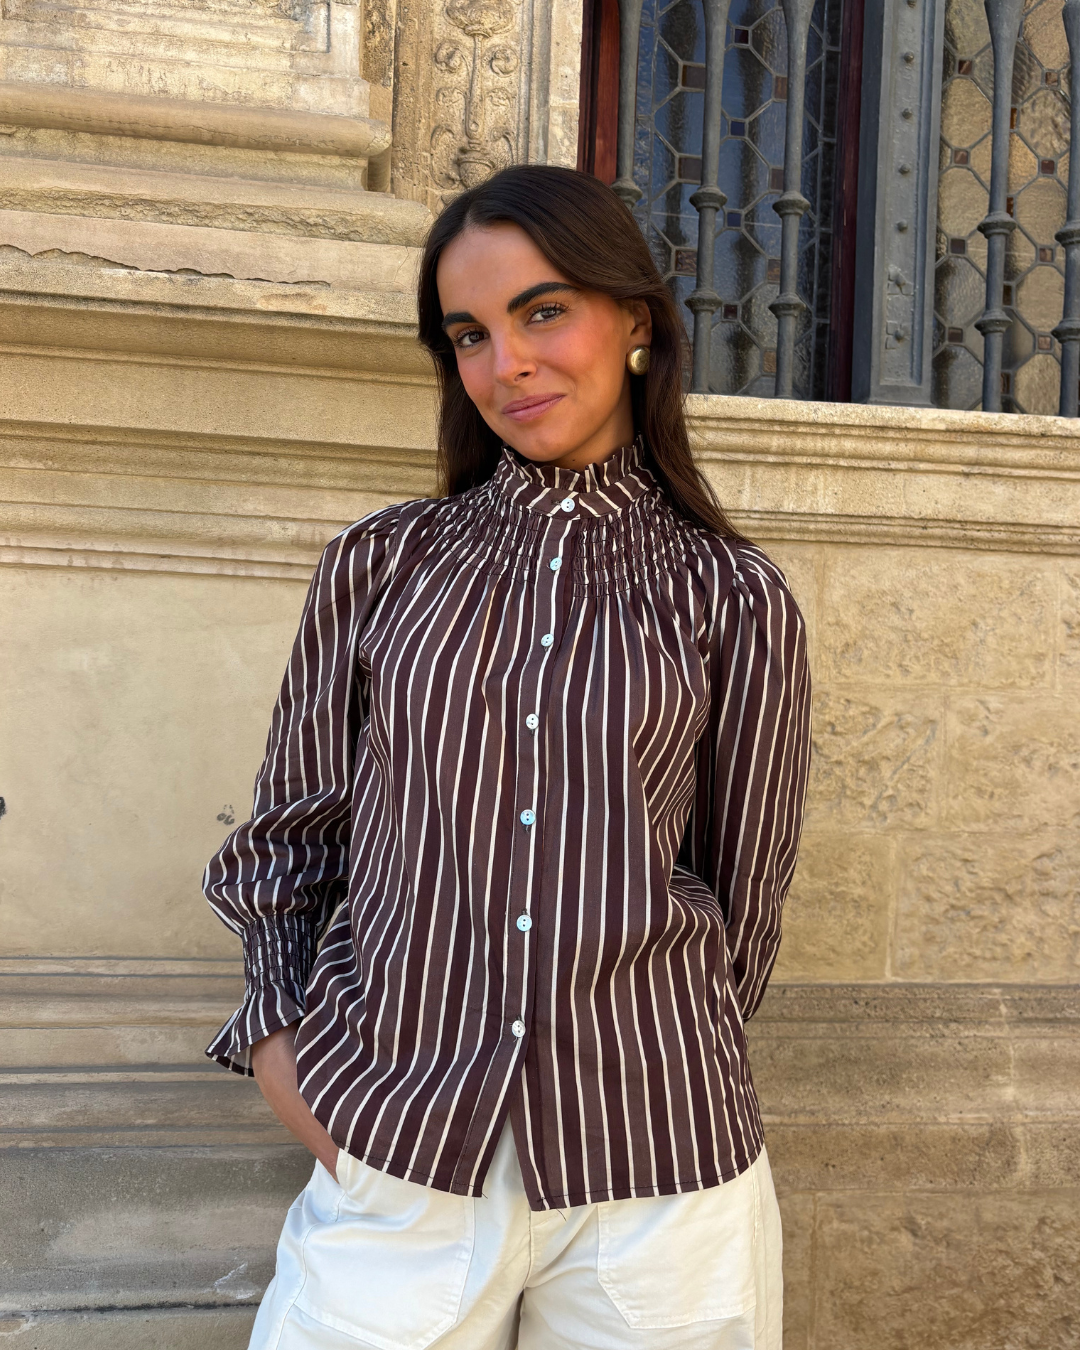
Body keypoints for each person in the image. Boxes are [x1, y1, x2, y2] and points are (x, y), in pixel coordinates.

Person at [203, 164, 812, 1350]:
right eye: (470, 334)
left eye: (544, 312)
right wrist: (289, 1064)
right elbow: (290, 842)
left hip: (660, 1179)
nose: (508, 364)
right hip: (402, 1152)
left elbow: (746, 898)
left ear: (635, 321)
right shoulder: (383, 565)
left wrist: (650, 1061)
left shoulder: (734, 598)